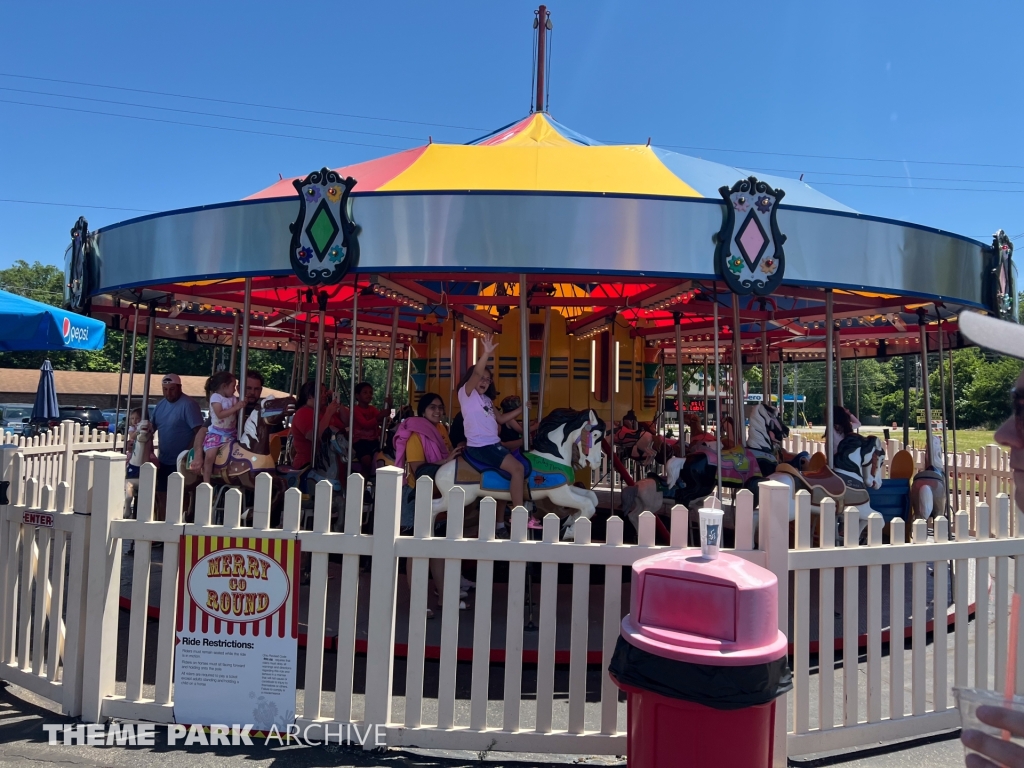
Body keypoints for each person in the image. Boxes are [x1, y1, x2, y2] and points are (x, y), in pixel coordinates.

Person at [457, 334, 525, 511]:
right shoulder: (467, 394)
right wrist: (486, 353)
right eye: (481, 378)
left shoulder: (486, 399)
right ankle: (519, 513)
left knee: (522, 459)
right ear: (472, 378)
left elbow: (501, 419)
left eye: (488, 380)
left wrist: (522, 409)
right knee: (517, 469)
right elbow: (478, 371)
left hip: (493, 444)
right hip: (481, 446)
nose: (484, 382)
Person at [150, 374, 204, 519]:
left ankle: (179, 526)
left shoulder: (189, 405)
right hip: (164, 459)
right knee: (161, 494)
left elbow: (199, 432)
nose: (168, 393)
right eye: (165, 389)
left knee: (181, 494)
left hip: (182, 461)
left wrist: (188, 454)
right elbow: (151, 430)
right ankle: (161, 527)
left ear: (179, 388)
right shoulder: (160, 405)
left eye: (172, 389)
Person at [201, 372, 246, 485]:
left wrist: (243, 400)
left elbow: (241, 404)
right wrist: (236, 407)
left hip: (231, 433)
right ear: (224, 386)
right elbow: (219, 414)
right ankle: (206, 480)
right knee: (210, 456)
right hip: (216, 433)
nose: (235, 389)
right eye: (233, 386)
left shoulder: (233, 398)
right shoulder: (216, 397)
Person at [290, 381, 343, 470]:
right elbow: (316, 436)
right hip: (310, 463)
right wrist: (328, 413)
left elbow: (346, 422)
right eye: (321, 392)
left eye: (325, 392)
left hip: (328, 462)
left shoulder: (323, 410)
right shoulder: (303, 413)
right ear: (309, 395)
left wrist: (337, 402)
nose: (325, 395)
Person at [351, 382, 389, 477]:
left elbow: (382, 419)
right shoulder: (356, 410)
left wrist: (389, 406)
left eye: (370, 393)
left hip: (374, 441)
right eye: (365, 392)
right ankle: (363, 479)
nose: (369, 395)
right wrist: (380, 416)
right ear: (357, 395)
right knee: (366, 461)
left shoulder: (372, 409)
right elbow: (366, 424)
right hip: (361, 442)